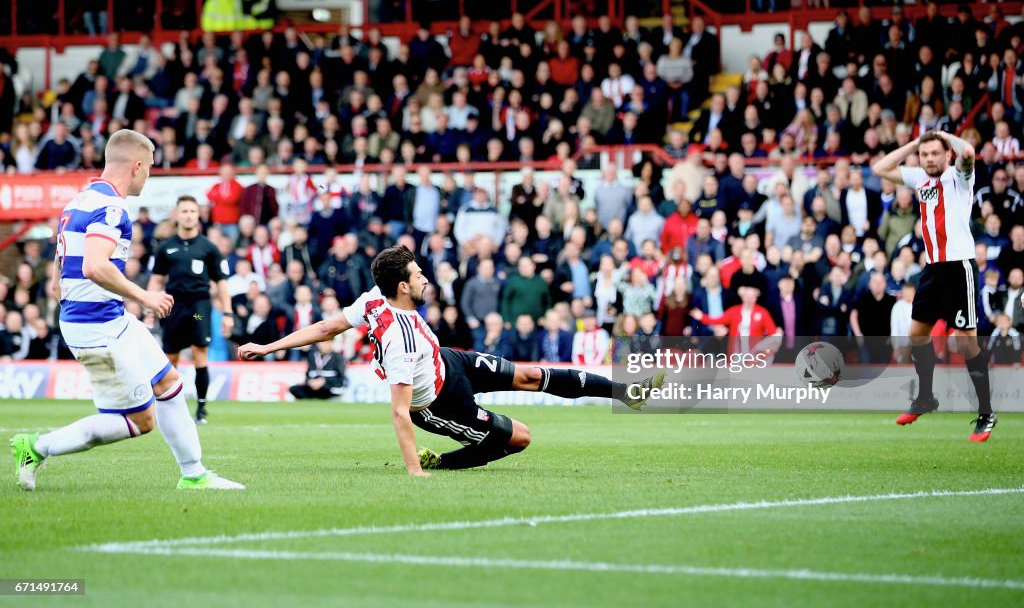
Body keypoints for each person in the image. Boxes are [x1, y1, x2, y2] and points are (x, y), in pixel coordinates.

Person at [238, 246, 664, 476]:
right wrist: (411, 471)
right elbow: (401, 412)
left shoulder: (373, 300)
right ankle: (436, 463)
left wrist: (268, 347)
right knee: (520, 438)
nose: (426, 278)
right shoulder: (398, 339)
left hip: (447, 360)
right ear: (404, 286)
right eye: (420, 274)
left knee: (532, 375)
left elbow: (326, 328)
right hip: (440, 403)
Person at [9, 130, 243, 491]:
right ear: (135, 166)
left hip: (109, 318)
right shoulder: (111, 207)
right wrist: (145, 297)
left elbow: (58, 275)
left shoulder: (79, 201)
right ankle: (36, 447)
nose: (149, 175)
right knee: (139, 421)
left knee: (169, 384)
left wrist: (76, 294)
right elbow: (94, 266)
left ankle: (194, 474)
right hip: (97, 326)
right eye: (149, 168)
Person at [872, 130, 996, 441]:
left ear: (946, 155)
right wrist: (915, 143)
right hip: (933, 270)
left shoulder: (959, 176)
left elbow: (968, 150)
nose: (929, 159)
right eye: (924, 154)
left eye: (934, 153)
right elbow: (880, 169)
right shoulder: (918, 178)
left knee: (966, 343)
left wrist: (941, 135)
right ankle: (925, 397)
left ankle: (986, 412)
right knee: (916, 335)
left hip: (960, 268)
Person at [147, 196, 234, 424]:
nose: (188, 215)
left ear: (198, 215)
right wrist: (149, 307)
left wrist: (228, 314)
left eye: (192, 211)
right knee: (171, 356)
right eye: (184, 210)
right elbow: (156, 281)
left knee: (199, 353)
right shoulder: (166, 248)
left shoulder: (208, 248)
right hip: (173, 307)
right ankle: (167, 409)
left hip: (198, 308)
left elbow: (222, 283)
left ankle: (202, 410)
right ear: (177, 214)